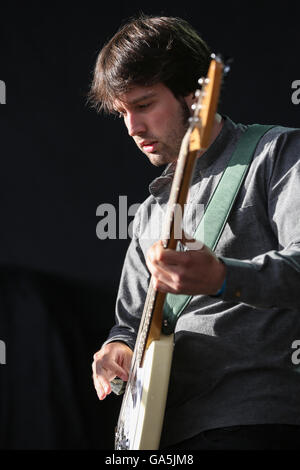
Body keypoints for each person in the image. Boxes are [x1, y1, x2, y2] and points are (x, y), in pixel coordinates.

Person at [89, 14, 300, 450]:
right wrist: (115, 351)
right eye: (122, 112)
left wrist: (223, 277)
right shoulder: (148, 213)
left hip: (253, 417)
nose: (132, 128)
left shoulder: (276, 154)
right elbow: (128, 325)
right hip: (162, 431)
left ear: (193, 93)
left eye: (144, 104)